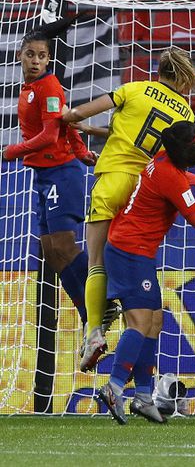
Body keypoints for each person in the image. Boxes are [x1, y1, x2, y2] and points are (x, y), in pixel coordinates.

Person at [61, 47, 195, 372]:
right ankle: (134, 361)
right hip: (142, 191)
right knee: (128, 267)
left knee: (96, 261)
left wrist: (65, 116)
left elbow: (80, 113)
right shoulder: (186, 113)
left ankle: (94, 330)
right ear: (181, 76)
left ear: (159, 69)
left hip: (111, 178)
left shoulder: (134, 89)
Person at [95, 121, 195, 425]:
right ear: (184, 148)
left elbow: (175, 178)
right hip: (130, 252)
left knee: (155, 320)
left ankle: (144, 396)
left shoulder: (163, 160)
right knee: (140, 322)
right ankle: (114, 387)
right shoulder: (171, 176)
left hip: (135, 250)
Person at [1, 24, 96, 334]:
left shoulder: (49, 86)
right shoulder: (29, 88)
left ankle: (104, 297)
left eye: (42, 56)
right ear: (20, 56)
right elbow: (66, 123)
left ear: (48, 60)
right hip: (44, 175)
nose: (36, 61)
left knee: (64, 247)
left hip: (61, 173)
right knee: (51, 252)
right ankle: (89, 314)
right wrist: (82, 149)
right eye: (30, 55)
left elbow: (50, 134)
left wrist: (10, 151)